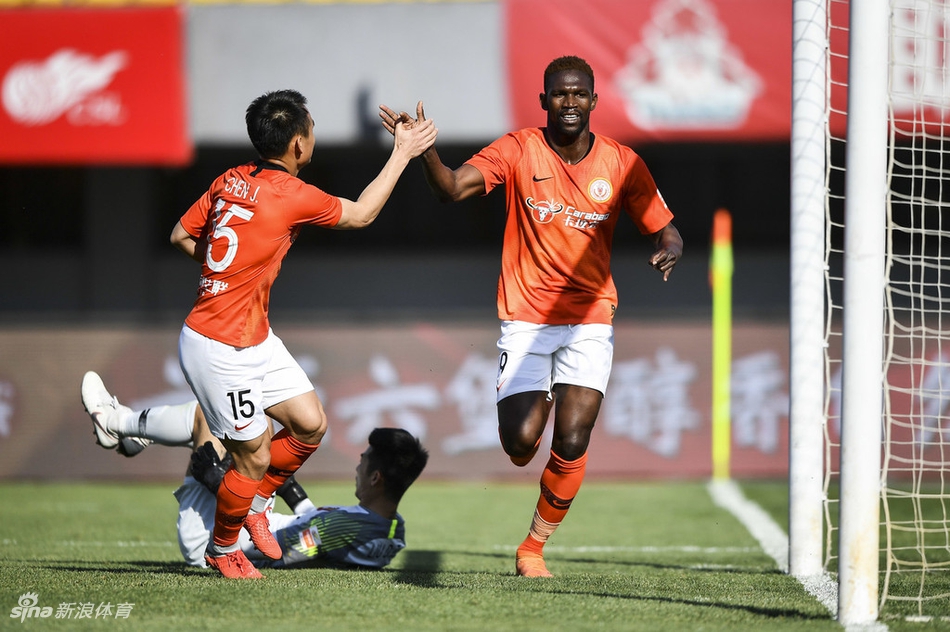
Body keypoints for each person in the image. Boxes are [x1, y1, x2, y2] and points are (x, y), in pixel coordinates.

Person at [379, 55, 683, 578]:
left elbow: (665, 227)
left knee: (573, 439)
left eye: (579, 93)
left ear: (594, 100)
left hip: (590, 319)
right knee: (521, 445)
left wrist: (670, 247)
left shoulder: (622, 162)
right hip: (526, 319)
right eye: (560, 94)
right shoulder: (518, 149)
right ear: (544, 101)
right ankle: (533, 400)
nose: (570, 102)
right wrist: (425, 150)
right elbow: (450, 189)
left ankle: (532, 548)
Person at [169, 89, 436, 578]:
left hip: (253, 336)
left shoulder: (230, 178)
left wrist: (223, 276)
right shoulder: (291, 193)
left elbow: (181, 235)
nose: (313, 137)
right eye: (311, 129)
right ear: (297, 144)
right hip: (218, 345)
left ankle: (256, 505)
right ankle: (222, 549)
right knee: (252, 459)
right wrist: (402, 152)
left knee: (310, 424)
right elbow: (362, 214)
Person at [80, 371, 429, 575]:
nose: (357, 465)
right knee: (252, 428)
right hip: (251, 528)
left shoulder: (349, 527)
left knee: (211, 416)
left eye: (364, 461)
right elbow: (315, 534)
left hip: (218, 541)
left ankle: (117, 423)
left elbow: (279, 549)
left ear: (376, 478)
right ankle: (134, 436)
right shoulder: (391, 526)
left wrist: (218, 481)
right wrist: (287, 487)